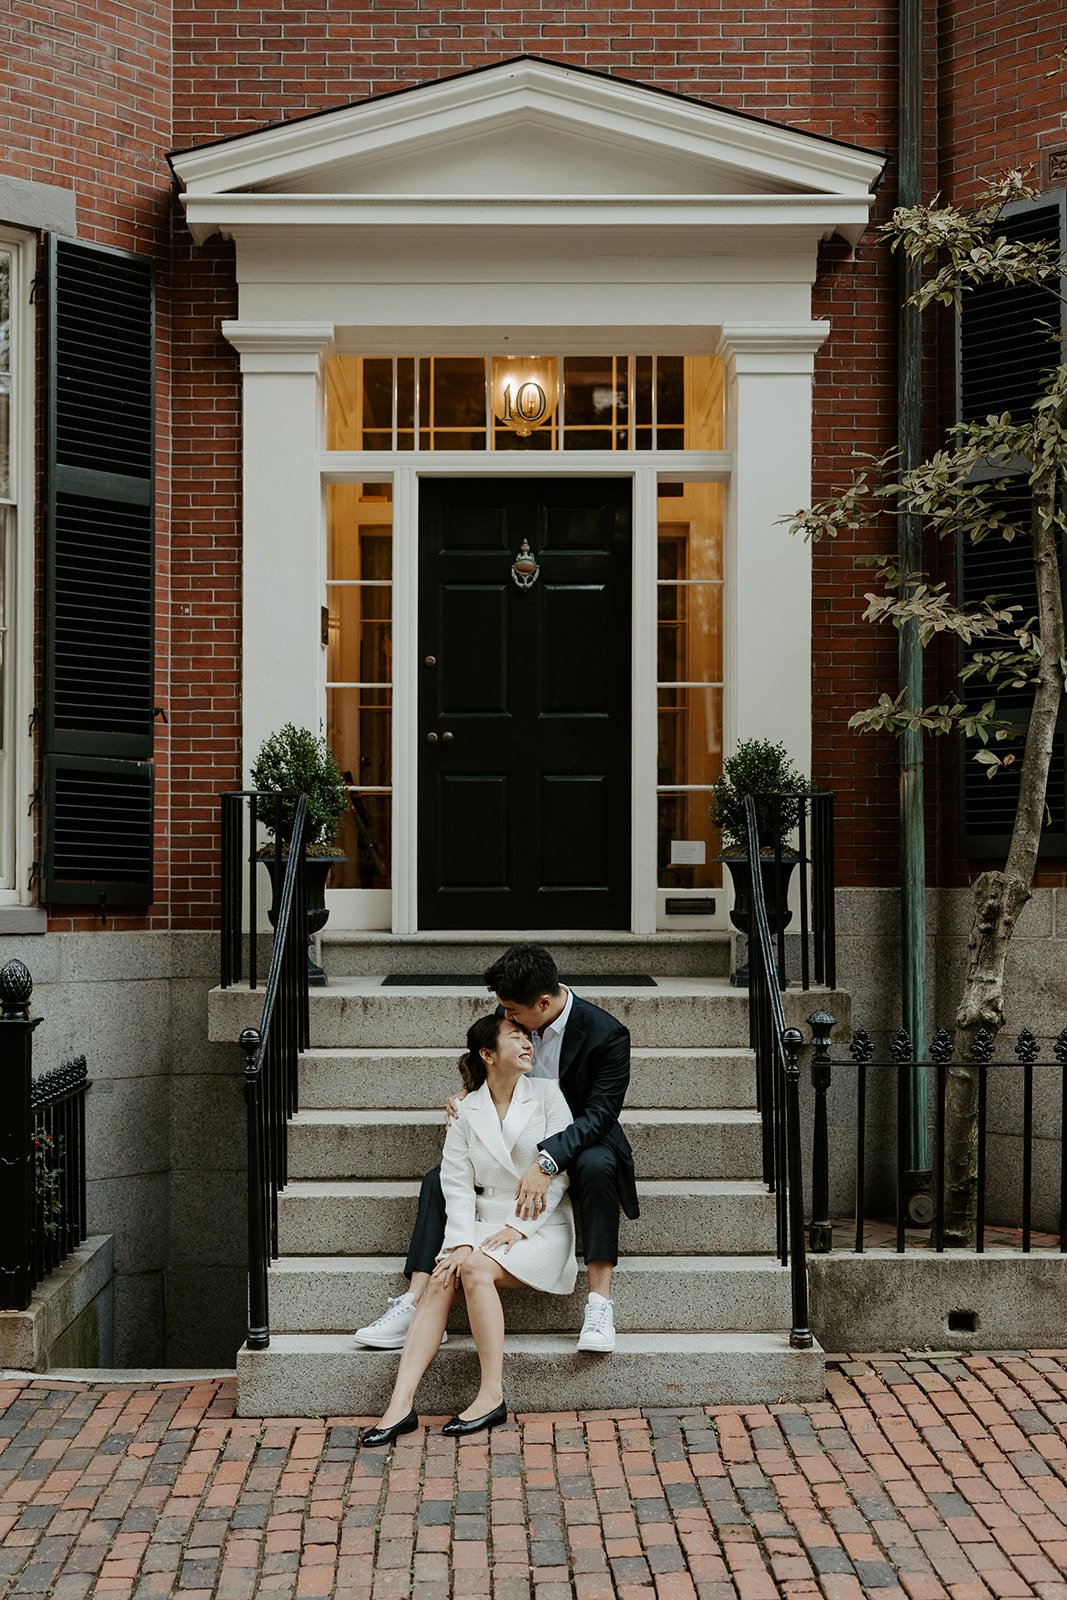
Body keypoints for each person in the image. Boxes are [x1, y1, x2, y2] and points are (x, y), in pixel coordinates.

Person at [355, 944, 638, 1355]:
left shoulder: (607, 1033)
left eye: (513, 1011)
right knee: (438, 1180)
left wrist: (547, 1161)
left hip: (581, 1140)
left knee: (596, 1166)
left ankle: (599, 1303)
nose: (507, 1017)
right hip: (516, 1142)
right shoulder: (514, 1019)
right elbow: (491, 1066)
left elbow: (600, 1115)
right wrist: (470, 1098)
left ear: (543, 1003)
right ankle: (416, 1301)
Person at [361, 1013, 577, 1446]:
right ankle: (399, 1405)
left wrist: (517, 1227)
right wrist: (459, 1242)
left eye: (528, 1038)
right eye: (515, 1037)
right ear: (487, 1054)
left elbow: (559, 1173)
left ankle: (491, 1395)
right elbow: (455, 1182)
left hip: (539, 1226)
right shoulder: (466, 1109)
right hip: (480, 1223)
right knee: (441, 1277)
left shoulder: (548, 1094)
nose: (527, 1044)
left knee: (475, 1269)